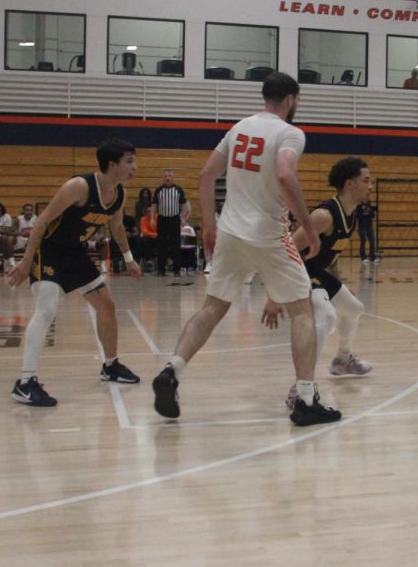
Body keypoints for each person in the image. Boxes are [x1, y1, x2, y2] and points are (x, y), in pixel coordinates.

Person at [151, 72, 340, 426]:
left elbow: (207, 174)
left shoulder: (238, 128)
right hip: (268, 233)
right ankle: (304, 398)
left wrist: (208, 225)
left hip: (230, 233)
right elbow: (284, 175)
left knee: (212, 308)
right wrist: (309, 229)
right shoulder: (290, 133)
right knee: (302, 312)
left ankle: (172, 370)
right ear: (291, 99)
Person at [5, 138, 142, 407]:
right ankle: (25, 382)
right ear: (112, 164)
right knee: (46, 310)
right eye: (129, 161)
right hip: (49, 250)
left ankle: (110, 366)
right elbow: (42, 222)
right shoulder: (79, 187)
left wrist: (128, 258)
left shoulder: (119, 193)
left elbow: (116, 227)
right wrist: (25, 260)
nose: (134, 167)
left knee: (107, 306)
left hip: (75, 254)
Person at [262, 156, 375, 405]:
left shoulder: (352, 215)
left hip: (317, 272)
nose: (371, 186)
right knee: (326, 316)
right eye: (366, 180)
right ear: (349, 184)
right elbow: (287, 250)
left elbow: (329, 255)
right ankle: (301, 386)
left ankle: (343, 359)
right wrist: (274, 295)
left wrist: (339, 284)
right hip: (297, 272)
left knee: (354, 309)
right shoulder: (324, 216)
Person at [154, 169, 187, 275]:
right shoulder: (158, 190)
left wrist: (183, 219)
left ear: (173, 177)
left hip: (174, 220)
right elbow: (154, 205)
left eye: (169, 175)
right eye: (166, 176)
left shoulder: (178, 190)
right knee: (161, 245)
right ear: (163, 177)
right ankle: (161, 270)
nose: (167, 177)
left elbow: (183, 206)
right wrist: (151, 219)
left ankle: (176, 270)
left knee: (175, 245)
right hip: (162, 219)